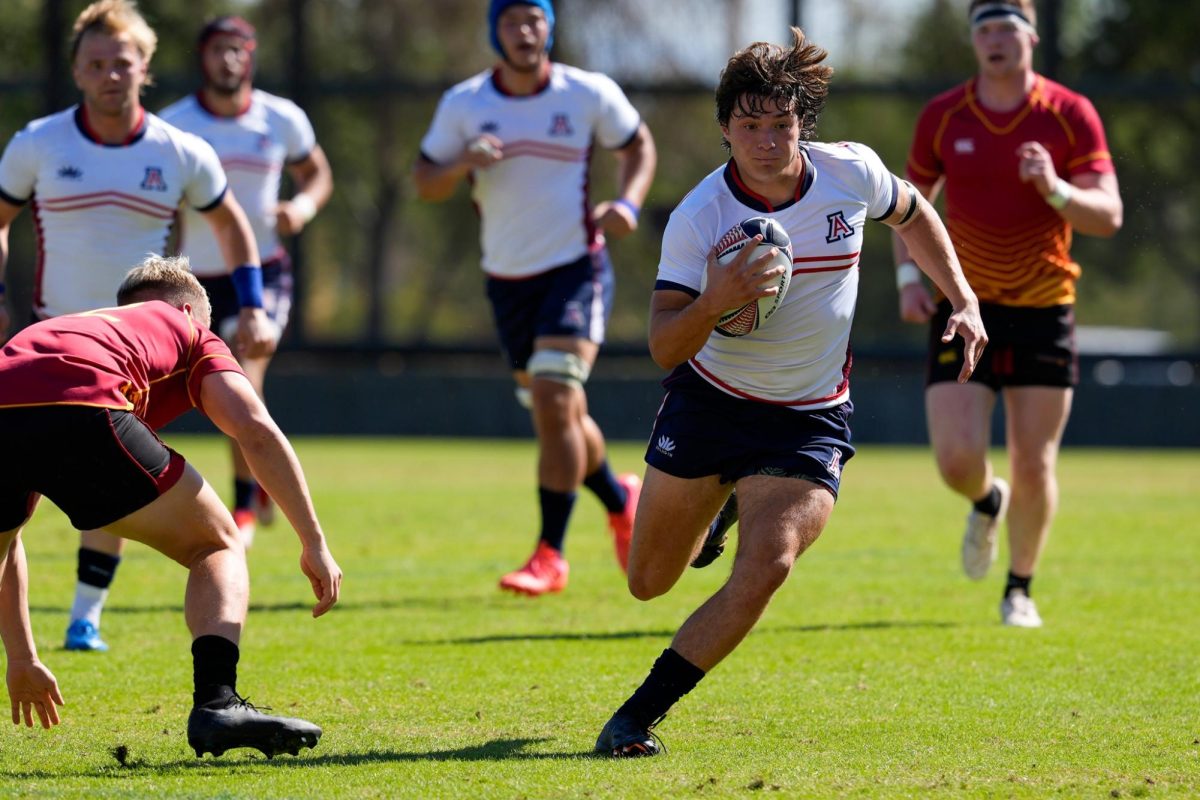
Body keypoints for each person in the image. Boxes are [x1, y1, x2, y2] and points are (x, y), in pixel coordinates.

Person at [593, 27, 987, 757]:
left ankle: (635, 716)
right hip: (710, 401)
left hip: (809, 418)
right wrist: (716, 300)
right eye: (750, 126)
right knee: (648, 582)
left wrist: (960, 296)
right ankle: (726, 501)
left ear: (804, 123)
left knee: (769, 563)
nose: (768, 141)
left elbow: (914, 214)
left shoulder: (850, 174)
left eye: (782, 124)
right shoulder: (700, 217)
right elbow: (662, 344)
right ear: (724, 131)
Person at [0, 0, 275, 653]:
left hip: (138, 358)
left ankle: (84, 615)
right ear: (76, 70)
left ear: (144, 67)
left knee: (112, 484)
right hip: (50, 345)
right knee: (21, 511)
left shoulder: (179, 149)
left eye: (121, 62)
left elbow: (234, 226)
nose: (109, 74)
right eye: (95, 63)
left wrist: (254, 304)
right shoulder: (38, 143)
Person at [0, 255, 341, 759]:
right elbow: (256, 430)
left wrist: (22, 658)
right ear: (187, 310)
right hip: (89, 406)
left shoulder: (70, 330)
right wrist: (313, 542)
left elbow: (8, 546)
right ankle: (217, 701)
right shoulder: (186, 327)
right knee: (216, 542)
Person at [412, 0, 658, 596]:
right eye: (512, 22)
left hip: (576, 269)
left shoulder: (585, 93)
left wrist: (626, 204)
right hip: (506, 282)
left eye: (535, 20)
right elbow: (425, 182)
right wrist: (462, 162)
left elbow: (638, 147)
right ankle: (618, 495)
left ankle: (551, 553)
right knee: (562, 415)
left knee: (554, 398)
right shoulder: (466, 105)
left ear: (549, 27)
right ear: (494, 31)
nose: (525, 32)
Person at [893, 0, 1122, 628]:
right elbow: (906, 205)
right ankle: (986, 501)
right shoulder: (943, 115)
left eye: (1007, 29)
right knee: (956, 460)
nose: (995, 40)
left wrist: (1055, 188)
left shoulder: (1070, 113)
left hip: (1046, 309)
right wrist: (910, 277)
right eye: (984, 29)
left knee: (1034, 459)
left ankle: (1019, 589)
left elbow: (1108, 214)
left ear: (1032, 39)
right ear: (973, 41)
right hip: (964, 305)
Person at [161, 15, 334, 547]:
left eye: (238, 50)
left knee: (240, 377)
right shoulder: (174, 123)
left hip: (263, 273)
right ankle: (256, 487)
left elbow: (317, 173)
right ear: (203, 57)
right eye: (218, 50)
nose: (229, 60)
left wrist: (302, 207)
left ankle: (243, 506)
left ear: (251, 57)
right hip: (195, 278)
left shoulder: (281, 119)